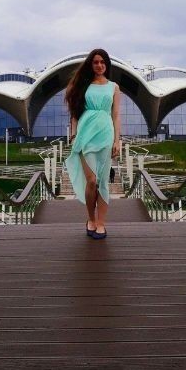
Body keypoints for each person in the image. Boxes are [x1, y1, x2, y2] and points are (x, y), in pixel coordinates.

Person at [65, 49, 121, 240]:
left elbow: (116, 115)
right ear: (91, 64)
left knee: (103, 182)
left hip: (106, 135)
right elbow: (75, 113)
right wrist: (73, 135)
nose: (99, 65)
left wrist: (117, 141)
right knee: (91, 181)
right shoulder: (83, 85)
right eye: (96, 62)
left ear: (107, 65)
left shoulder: (113, 87)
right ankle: (91, 218)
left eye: (103, 62)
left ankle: (101, 223)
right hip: (85, 136)